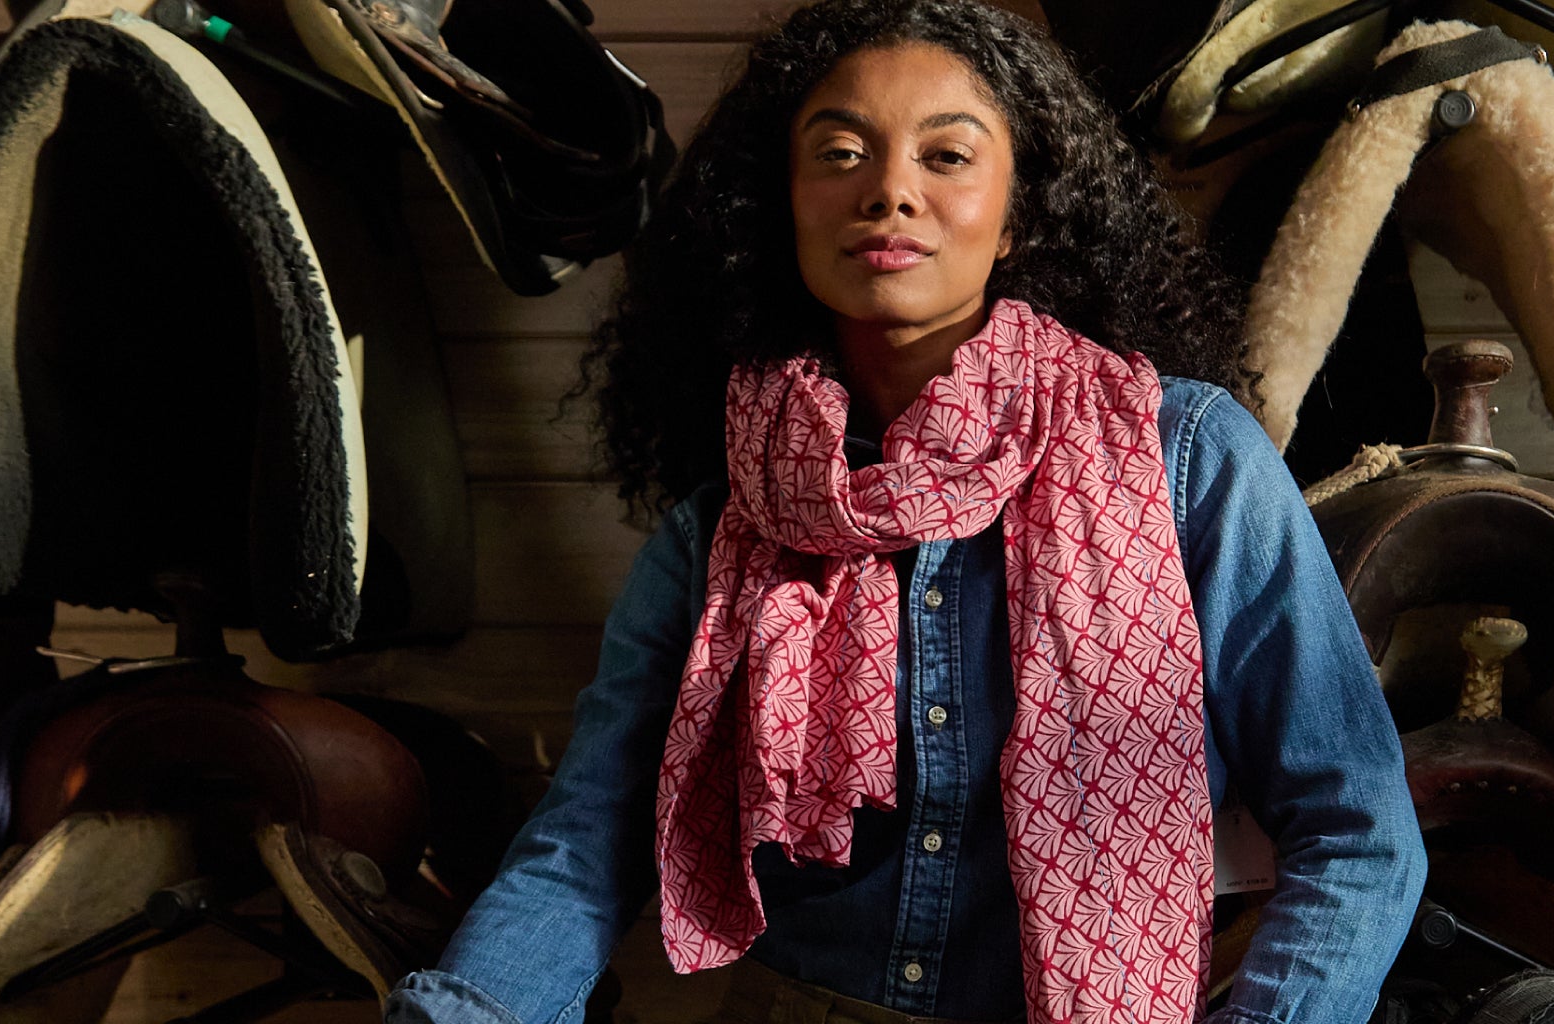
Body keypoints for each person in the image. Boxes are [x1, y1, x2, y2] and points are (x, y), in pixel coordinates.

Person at [389, 1, 1426, 1021]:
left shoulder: (1185, 459)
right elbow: (583, 850)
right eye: (838, 153)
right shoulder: (725, 525)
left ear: (1018, 212)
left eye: (945, 156)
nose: (888, 192)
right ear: (778, 203)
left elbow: (1358, 833)